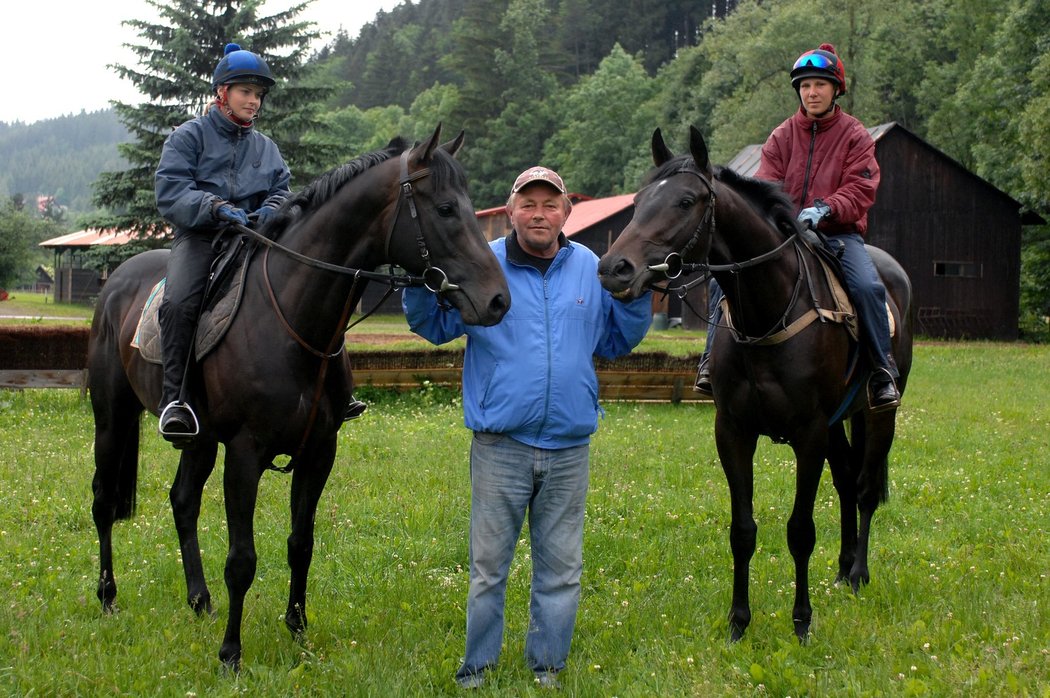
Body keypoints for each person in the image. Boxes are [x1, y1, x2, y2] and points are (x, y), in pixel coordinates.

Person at [402, 166, 652, 689]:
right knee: (489, 569)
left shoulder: (589, 266)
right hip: (501, 445)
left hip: (569, 446)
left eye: (550, 204)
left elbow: (613, 341)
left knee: (561, 570)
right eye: (528, 203)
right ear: (510, 210)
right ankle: (478, 670)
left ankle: (547, 667)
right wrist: (418, 280)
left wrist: (637, 296)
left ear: (566, 212)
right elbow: (435, 326)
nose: (539, 214)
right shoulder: (480, 264)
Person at [155, 43, 365, 445]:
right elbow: (170, 191)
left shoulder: (266, 147)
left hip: (255, 237)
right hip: (202, 237)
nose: (254, 101)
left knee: (316, 293)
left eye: (259, 94)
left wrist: (270, 211)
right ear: (222, 92)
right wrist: (213, 207)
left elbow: (281, 188)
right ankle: (174, 400)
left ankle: (340, 391)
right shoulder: (188, 137)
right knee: (180, 302)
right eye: (246, 92)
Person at [695, 43, 900, 410]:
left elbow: (862, 187)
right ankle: (710, 362)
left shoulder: (855, 135)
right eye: (805, 86)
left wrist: (825, 209)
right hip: (787, 235)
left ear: (836, 89)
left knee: (869, 287)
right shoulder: (781, 136)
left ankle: (882, 373)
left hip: (837, 234)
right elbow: (766, 186)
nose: (812, 92)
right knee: (719, 280)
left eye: (820, 85)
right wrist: (781, 217)